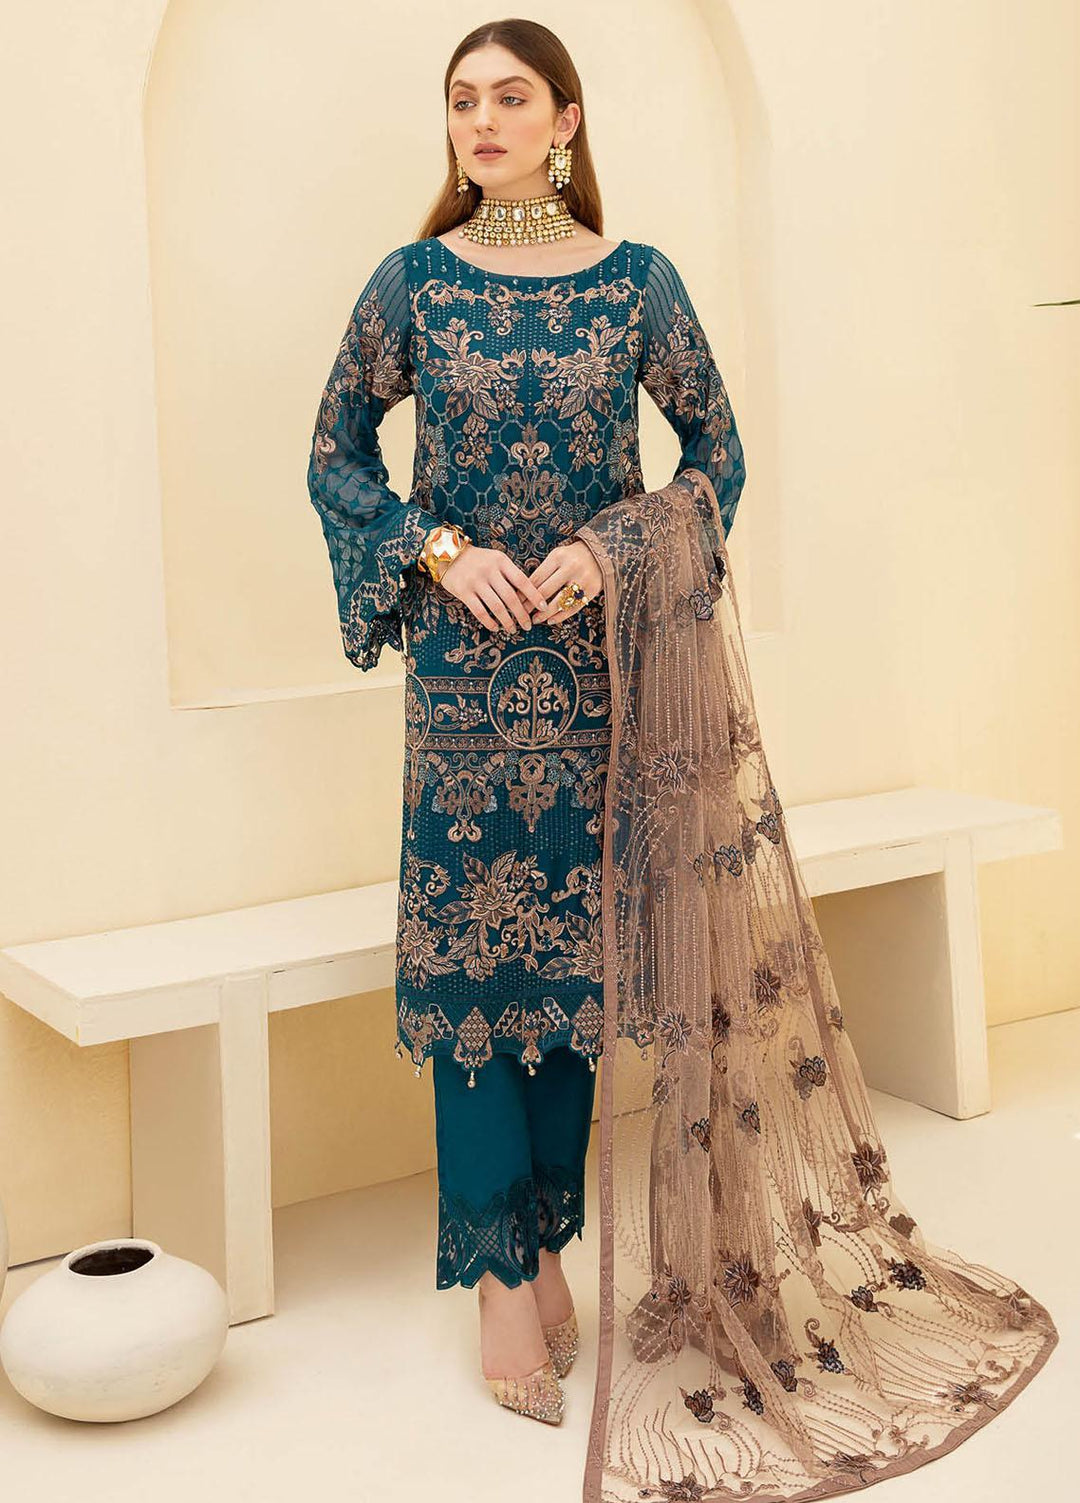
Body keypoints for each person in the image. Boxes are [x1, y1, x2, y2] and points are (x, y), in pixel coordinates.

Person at [308, 17, 1057, 1496]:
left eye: (509, 97)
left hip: (614, 690)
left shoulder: (637, 283)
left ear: (566, 119)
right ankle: (500, 1282)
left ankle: (549, 1244)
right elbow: (335, 453)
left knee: (579, 977)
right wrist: (440, 551)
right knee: (475, 980)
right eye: (460, 101)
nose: (480, 122)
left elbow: (718, 457)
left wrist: (611, 548)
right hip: (465, 698)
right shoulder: (413, 285)